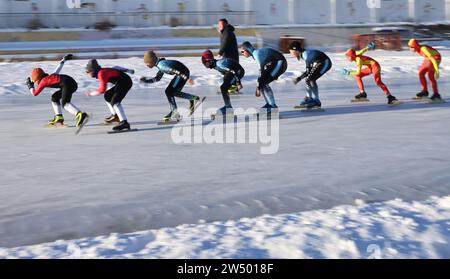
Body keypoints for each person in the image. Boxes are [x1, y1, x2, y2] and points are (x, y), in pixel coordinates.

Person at [26, 54, 89, 128]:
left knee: (65, 104)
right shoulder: (50, 76)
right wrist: (64, 59)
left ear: (38, 79)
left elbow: (34, 93)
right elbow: (59, 67)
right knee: (55, 97)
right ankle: (59, 117)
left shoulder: (43, 81)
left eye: (36, 81)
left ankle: (80, 114)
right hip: (71, 82)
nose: (37, 83)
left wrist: (30, 86)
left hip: (67, 84)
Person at [140, 50, 203, 122]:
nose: (147, 65)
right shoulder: (160, 64)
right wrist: (146, 81)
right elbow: (157, 78)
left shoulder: (162, 65)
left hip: (182, 73)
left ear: (151, 61)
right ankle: (190, 100)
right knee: (170, 91)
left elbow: (175, 71)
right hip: (182, 72)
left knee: (170, 92)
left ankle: (180, 108)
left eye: (147, 63)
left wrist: (187, 78)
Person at [84, 59, 134, 131]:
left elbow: (102, 90)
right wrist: (128, 70)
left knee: (115, 101)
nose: (87, 74)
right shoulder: (101, 71)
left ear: (93, 70)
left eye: (88, 72)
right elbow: (115, 68)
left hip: (125, 82)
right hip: (121, 82)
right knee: (107, 95)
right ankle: (115, 116)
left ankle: (124, 122)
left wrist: (91, 94)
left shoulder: (101, 74)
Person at [240, 41, 287, 113]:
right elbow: (263, 71)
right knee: (262, 82)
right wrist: (259, 84)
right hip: (275, 63)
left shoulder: (256, 54)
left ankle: (272, 106)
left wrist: (258, 86)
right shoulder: (255, 54)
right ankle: (269, 104)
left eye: (242, 51)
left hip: (280, 62)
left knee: (263, 82)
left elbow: (261, 71)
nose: (242, 54)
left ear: (247, 50)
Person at [289, 41, 332, 109]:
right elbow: (308, 71)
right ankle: (309, 98)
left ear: (295, 50)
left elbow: (308, 72)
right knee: (309, 79)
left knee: (310, 79)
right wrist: (299, 78)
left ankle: (316, 101)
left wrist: (299, 78)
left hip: (325, 62)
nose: (290, 53)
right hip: (320, 62)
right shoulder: (304, 54)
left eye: (290, 51)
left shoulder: (306, 55)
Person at [201, 49, 245, 116]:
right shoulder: (215, 65)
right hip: (234, 71)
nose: (204, 64)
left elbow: (233, 71)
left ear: (210, 61)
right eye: (203, 63)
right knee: (224, 86)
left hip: (238, 71)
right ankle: (228, 106)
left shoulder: (219, 64)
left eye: (205, 62)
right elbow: (227, 73)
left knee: (223, 88)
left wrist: (238, 83)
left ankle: (228, 108)